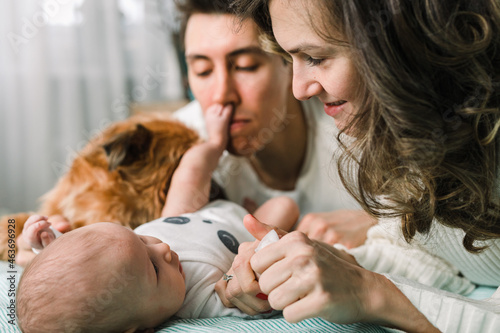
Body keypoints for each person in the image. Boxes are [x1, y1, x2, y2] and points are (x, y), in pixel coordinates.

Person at [219, 0, 500, 332]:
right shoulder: (401, 131)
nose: (299, 90)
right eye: (288, 57)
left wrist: (369, 293)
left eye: (316, 58)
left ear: (401, 41)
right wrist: (323, 263)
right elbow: (432, 257)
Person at [16, 104, 298, 332]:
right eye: (153, 268)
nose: (163, 248)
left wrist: (46, 243)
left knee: (190, 172)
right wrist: (259, 276)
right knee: (284, 207)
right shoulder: (201, 304)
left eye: (140, 240)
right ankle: (248, 210)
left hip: (177, 218)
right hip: (243, 232)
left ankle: (215, 141)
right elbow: (252, 297)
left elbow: (79, 262)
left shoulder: (132, 253)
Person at [172, 0, 376, 249]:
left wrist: (378, 224)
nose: (222, 95)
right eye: (203, 71)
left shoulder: (353, 123)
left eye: (246, 66)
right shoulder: (175, 147)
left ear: (290, 61)